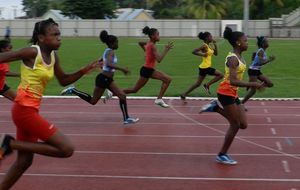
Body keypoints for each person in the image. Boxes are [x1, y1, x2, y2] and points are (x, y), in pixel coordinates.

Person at [0, 18, 97, 189]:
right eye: (54, 34)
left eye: (59, 34)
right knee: (66, 149)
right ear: (41, 37)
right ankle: (10, 144)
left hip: (29, 111)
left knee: (24, 162)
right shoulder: (31, 52)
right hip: (24, 111)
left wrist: (83, 71)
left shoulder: (53, 56)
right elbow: (4, 57)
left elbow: (64, 80)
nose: (59, 38)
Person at [199, 27, 265, 165]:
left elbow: (237, 78)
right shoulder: (232, 59)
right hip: (225, 93)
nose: (248, 43)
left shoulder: (240, 56)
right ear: (238, 43)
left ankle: (215, 107)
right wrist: (254, 85)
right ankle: (222, 155)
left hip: (233, 93)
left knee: (243, 125)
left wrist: (251, 82)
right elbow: (233, 81)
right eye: (245, 41)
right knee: (234, 125)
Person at [60, 30, 139, 125]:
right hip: (103, 79)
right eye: (117, 42)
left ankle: (126, 118)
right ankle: (73, 90)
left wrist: (99, 63)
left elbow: (103, 61)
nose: (118, 44)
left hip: (107, 79)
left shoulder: (107, 51)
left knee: (120, 96)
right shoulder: (110, 52)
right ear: (112, 43)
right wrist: (122, 69)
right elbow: (109, 64)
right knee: (95, 101)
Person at [123, 26, 173, 108]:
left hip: (149, 70)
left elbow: (140, 43)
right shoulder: (152, 46)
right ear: (153, 36)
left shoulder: (149, 44)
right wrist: (166, 49)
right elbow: (159, 59)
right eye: (157, 34)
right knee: (134, 90)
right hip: (146, 70)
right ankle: (114, 92)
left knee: (168, 79)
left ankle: (159, 99)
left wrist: (146, 50)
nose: (159, 36)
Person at [180, 32, 223, 102]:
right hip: (206, 67)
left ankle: (183, 94)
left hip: (203, 67)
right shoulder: (204, 46)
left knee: (197, 84)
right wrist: (202, 54)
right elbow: (193, 51)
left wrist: (215, 44)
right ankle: (207, 85)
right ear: (206, 38)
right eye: (210, 36)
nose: (212, 37)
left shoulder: (209, 46)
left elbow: (216, 54)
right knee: (221, 75)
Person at [241, 36, 275, 106]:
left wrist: (254, 58)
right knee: (253, 91)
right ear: (263, 44)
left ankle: (253, 84)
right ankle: (241, 104)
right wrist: (269, 60)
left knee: (270, 83)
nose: (268, 42)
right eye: (266, 41)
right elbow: (260, 62)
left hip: (257, 71)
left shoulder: (261, 51)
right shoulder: (261, 51)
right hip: (253, 71)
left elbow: (255, 58)